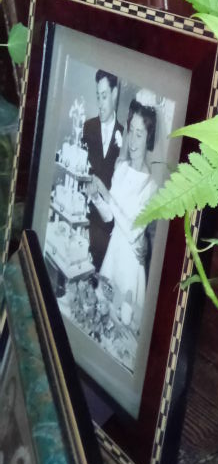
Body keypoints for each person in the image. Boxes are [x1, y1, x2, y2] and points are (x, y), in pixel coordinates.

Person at [89, 99, 158, 331]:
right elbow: (109, 217)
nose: (133, 139)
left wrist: (107, 196)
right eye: (131, 131)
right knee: (100, 315)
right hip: (113, 255)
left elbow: (134, 231)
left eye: (140, 134)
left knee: (122, 325)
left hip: (129, 265)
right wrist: (97, 196)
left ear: (149, 137)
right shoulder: (120, 169)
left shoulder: (151, 186)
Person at [83, 70, 124, 272]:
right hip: (84, 221)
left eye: (104, 96)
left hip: (109, 230)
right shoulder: (87, 128)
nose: (100, 103)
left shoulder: (126, 139)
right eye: (97, 96)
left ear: (115, 93)